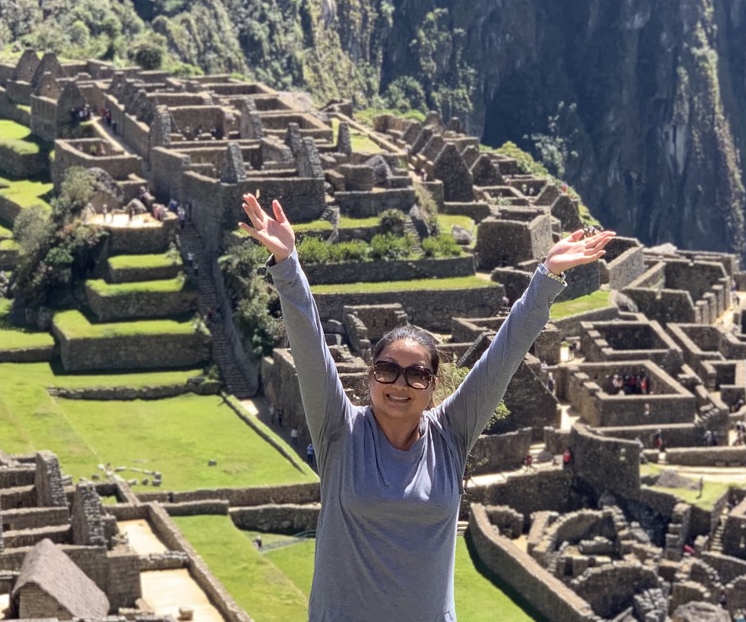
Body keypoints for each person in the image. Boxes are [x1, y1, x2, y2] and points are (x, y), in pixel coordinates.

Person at [240, 192, 613, 622]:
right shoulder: (339, 432)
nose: (400, 384)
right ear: (370, 375)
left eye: (416, 375)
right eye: (387, 370)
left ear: (432, 384)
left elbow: (503, 357)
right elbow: (309, 349)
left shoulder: (451, 434)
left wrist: (546, 276)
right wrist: (288, 266)